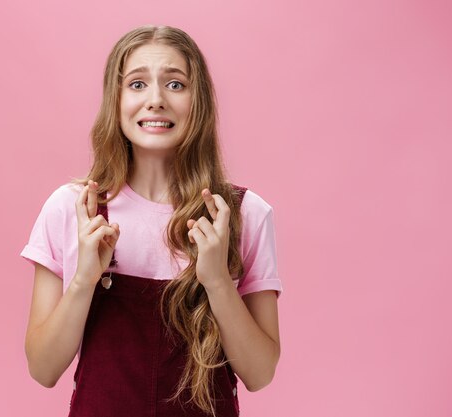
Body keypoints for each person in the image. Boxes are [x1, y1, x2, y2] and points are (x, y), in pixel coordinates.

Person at [20, 25, 283, 417]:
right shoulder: (73, 210)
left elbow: (260, 373)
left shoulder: (243, 214)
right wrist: (84, 281)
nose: (156, 100)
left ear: (200, 102)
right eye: (138, 84)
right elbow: (43, 369)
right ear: (116, 99)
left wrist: (215, 280)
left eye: (175, 85)